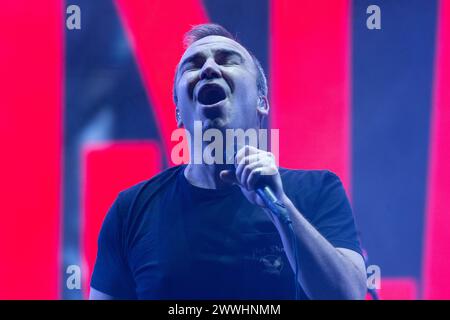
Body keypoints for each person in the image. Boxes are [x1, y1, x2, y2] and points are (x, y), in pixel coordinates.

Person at [89, 24, 366, 300]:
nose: (209, 68)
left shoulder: (316, 191)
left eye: (227, 60)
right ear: (178, 113)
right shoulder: (131, 211)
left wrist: (280, 207)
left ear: (261, 101)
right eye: (193, 66)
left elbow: (348, 296)